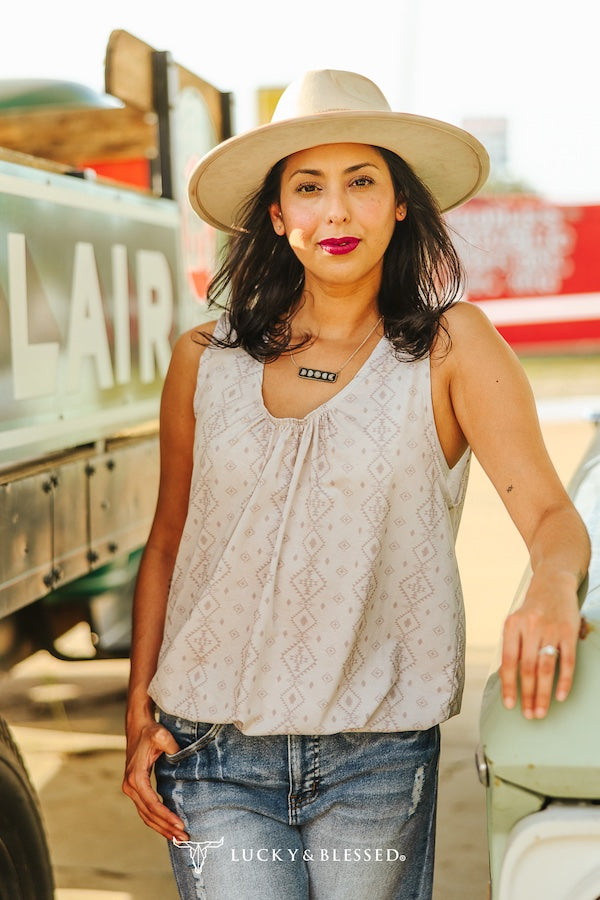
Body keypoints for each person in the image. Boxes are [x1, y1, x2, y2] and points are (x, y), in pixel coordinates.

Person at [122, 69, 590, 899]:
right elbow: (168, 542)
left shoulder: (452, 348)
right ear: (277, 214)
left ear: (400, 202)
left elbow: (553, 514)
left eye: (361, 182)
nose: (335, 211)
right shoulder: (204, 361)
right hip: (212, 757)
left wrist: (552, 588)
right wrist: (137, 710)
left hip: (375, 758)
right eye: (308, 187)